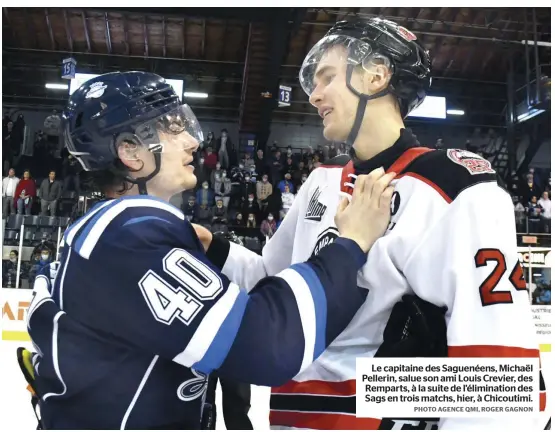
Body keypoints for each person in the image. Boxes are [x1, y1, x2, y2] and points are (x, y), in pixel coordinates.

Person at [196, 18, 546, 430]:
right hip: (291, 419)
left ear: (377, 75)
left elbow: (502, 377)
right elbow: (272, 280)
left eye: (327, 78)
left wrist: (387, 395)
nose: (315, 95)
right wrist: (213, 247)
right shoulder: (320, 181)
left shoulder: (455, 186)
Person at [23, 71, 395, 430]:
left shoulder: (112, 232)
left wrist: (217, 250)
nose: (190, 140)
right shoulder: (130, 234)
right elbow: (265, 346)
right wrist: (351, 245)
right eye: (171, 128)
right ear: (130, 152)